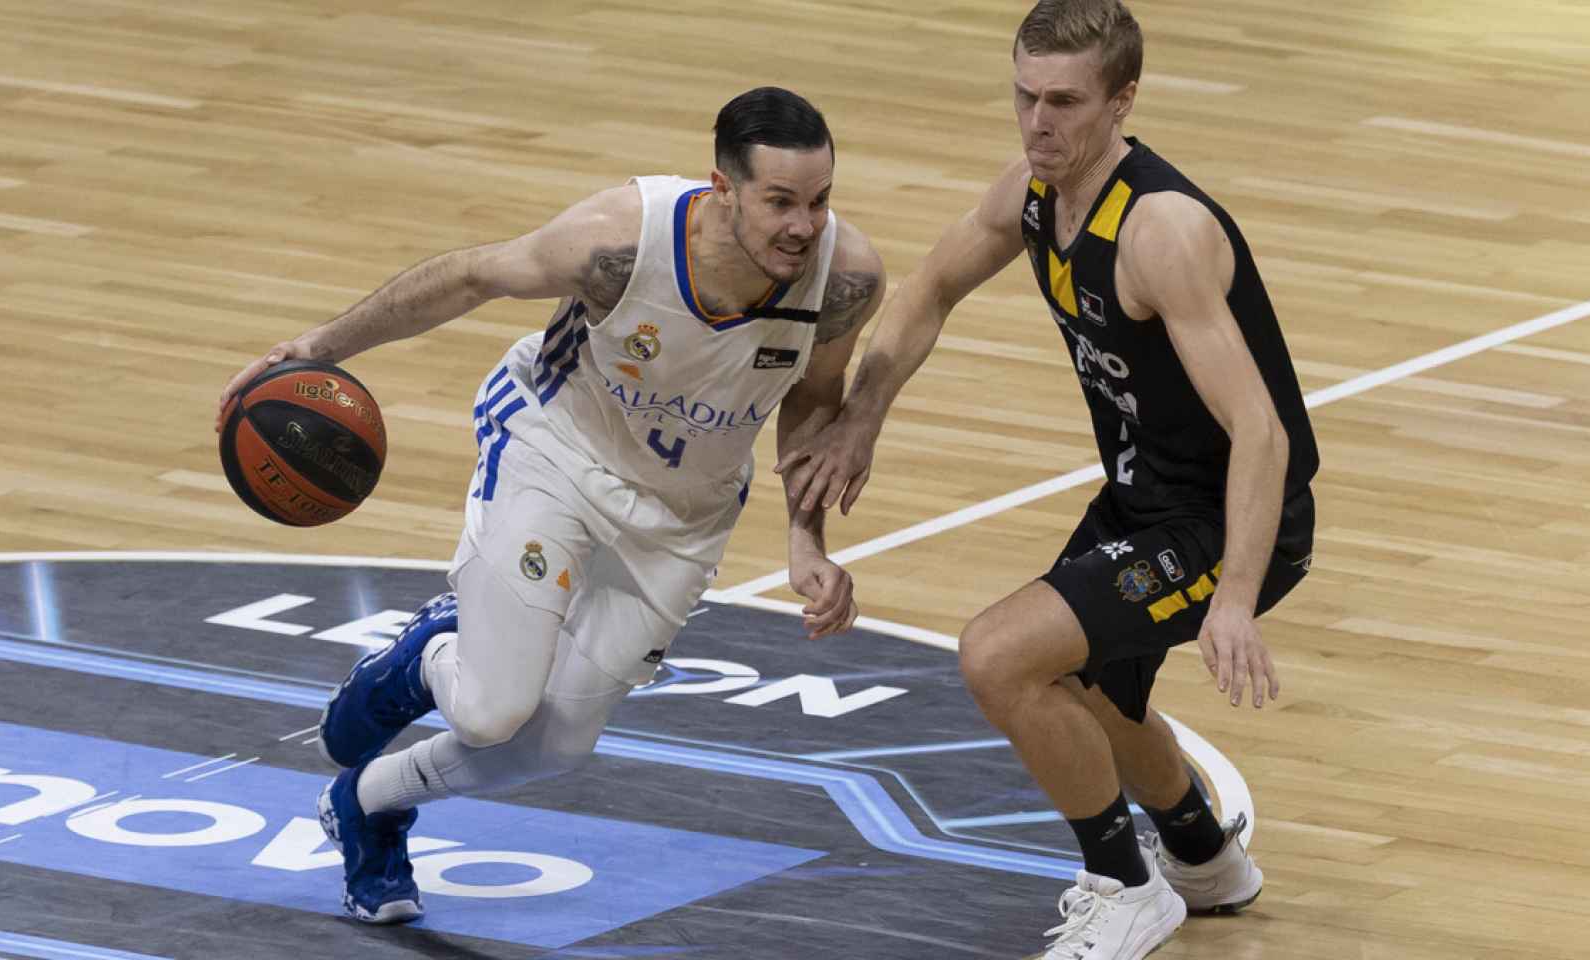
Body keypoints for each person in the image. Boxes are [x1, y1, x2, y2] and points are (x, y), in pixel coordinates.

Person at [216, 86, 884, 924]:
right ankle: (427, 658)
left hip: (684, 514)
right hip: (557, 454)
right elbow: (468, 277)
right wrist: (316, 347)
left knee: (556, 746)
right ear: (723, 188)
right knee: (493, 710)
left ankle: (368, 804)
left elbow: (815, 400)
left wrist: (804, 540)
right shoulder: (619, 241)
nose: (802, 225)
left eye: (819, 201)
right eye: (780, 201)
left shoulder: (846, 279)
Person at [775, 3, 1319, 957]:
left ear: (1123, 101)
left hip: (1226, 519)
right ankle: (1203, 853)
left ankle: (1123, 887)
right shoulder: (1033, 193)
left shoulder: (1162, 232)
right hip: (1142, 496)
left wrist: (1234, 596)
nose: (1038, 122)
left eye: (1065, 101)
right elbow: (930, 289)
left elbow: (1262, 434)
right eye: (1025, 95)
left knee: (997, 655)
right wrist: (862, 419)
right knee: (1096, 692)